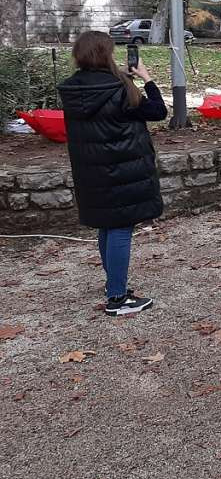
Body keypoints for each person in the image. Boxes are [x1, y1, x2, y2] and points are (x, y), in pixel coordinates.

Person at [58, 31, 167, 316]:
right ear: (106, 55)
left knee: (107, 225)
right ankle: (117, 298)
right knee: (120, 227)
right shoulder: (119, 88)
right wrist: (146, 78)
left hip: (91, 171)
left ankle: (113, 285)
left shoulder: (71, 90)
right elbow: (158, 111)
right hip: (122, 169)